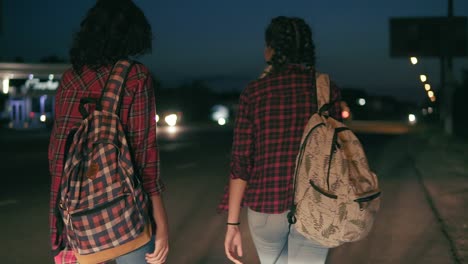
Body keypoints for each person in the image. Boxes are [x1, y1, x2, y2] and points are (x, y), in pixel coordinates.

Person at [48, 1, 169, 263]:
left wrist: (58, 227)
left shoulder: (70, 79)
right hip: (126, 218)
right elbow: (145, 157)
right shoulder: (135, 77)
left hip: (78, 218)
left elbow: (59, 157)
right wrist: (161, 224)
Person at [219, 16, 343, 264]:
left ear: (271, 50)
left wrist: (232, 223)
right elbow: (336, 152)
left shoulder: (255, 92)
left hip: (266, 206)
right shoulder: (325, 89)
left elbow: (241, 164)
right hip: (316, 203)